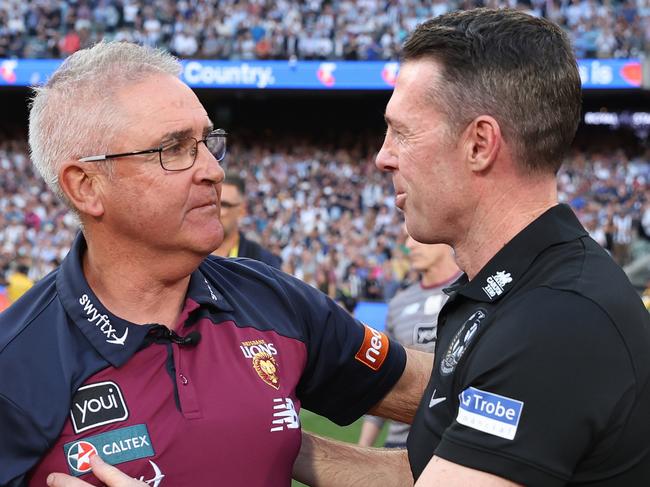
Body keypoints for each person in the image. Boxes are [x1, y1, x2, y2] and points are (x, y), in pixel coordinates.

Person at [0, 41, 432, 486]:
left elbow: (423, 390)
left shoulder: (271, 298)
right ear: (86, 186)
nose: (212, 169)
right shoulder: (15, 362)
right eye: (174, 148)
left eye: (208, 142)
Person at [293, 8, 650, 486]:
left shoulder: (555, 319)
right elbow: (422, 472)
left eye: (402, 131)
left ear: (480, 144)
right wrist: (267, 437)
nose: (383, 157)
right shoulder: (508, 289)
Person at [358, 236, 460, 449]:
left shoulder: (474, 290)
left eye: (416, 237)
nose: (409, 245)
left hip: (455, 444)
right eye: (405, 238)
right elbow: (384, 377)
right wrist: (364, 447)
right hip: (400, 443)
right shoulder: (398, 304)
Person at [212, 171, 282, 269]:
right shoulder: (191, 255)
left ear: (242, 211)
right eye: (212, 203)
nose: (215, 210)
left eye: (224, 205)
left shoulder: (263, 263)